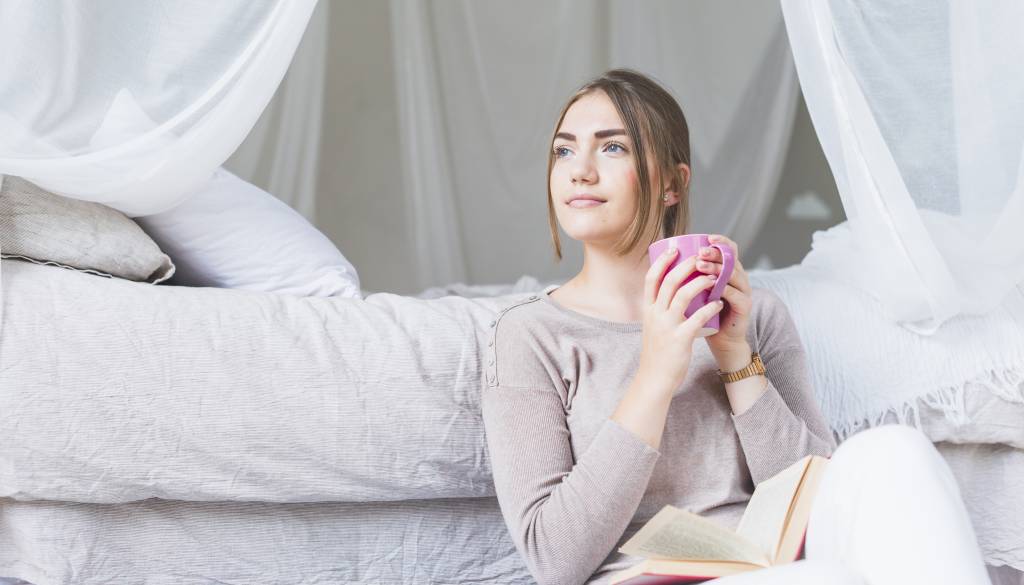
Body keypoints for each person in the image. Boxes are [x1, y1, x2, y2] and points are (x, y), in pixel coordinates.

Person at [480, 69, 992, 585]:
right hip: (648, 578)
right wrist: (655, 375)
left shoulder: (754, 316)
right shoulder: (529, 336)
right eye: (564, 151)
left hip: (776, 566)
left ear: (672, 184)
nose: (580, 170)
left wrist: (735, 357)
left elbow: (816, 503)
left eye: (613, 148)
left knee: (895, 450)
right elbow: (554, 561)